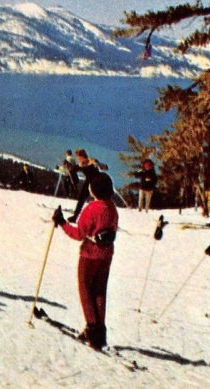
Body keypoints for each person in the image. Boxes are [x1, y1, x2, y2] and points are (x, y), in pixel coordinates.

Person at [52, 173, 119, 350]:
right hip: (107, 253)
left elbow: (78, 234)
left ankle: (92, 328)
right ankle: (100, 330)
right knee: (99, 290)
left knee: (85, 288)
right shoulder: (111, 207)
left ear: (94, 189)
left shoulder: (92, 208)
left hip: (90, 253)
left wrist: (61, 222)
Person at [69, 149, 108, 223]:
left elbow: (105, 167)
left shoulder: (92, 161)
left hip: (97, 182)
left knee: (98, 201)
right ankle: (75, 217)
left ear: (82, 156)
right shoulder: (81, 164)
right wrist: (69, 167)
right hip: (88, 182)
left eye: (78, 157)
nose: (78, 159)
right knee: (81, 199)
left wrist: (99, 165)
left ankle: (100, 220)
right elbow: (72, 170)